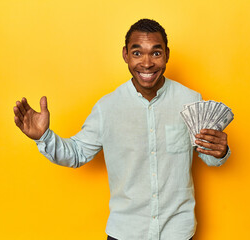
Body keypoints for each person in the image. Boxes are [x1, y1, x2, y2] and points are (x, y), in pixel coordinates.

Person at [13, 19, 231, 240]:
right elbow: (77, 153)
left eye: (156, 53)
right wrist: (44, 137)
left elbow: (211, 158)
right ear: (125, 54)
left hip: (177, 232)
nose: (147, 63)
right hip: (125, 233)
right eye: (137, 53)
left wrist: (220, 151)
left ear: (167, 54)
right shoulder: (107, 108)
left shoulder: (190, 100)